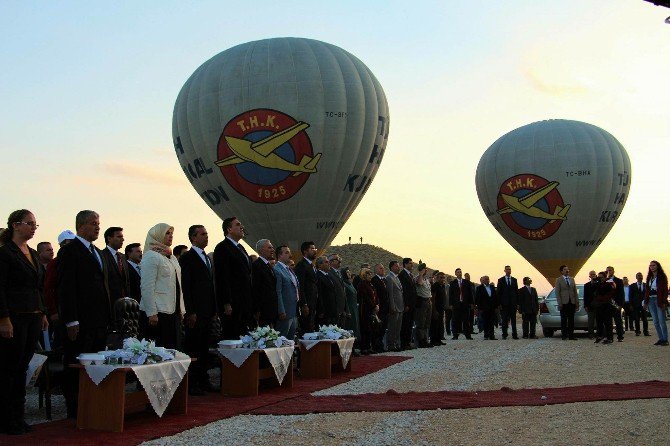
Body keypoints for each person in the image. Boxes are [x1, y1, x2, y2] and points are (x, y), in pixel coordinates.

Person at [57, 210, 111, 418]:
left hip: (99, 319)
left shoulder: (97, 252)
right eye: (93, 223)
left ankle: (94, 403)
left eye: (99, 223)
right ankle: (75, 407)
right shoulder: (70, 251)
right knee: (76, 363)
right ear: (81, 226)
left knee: (96, 363)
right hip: (80, 320)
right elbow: (66, 288)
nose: (98, 227)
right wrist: (71, 320)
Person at [0, 209, 48, 435]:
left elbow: (39, 287)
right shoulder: (5, 253)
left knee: (23, 367)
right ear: (15, 225)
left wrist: (43, 313)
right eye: (29, 223)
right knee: (9, 367)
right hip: (15, 315)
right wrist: (4, 318)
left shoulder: (33, 254)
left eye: (35, 224)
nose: (33, 228)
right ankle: (6, 418)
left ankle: (18, 416)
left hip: (33, 315)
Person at [179, 225, 217, 395]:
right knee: (194, 346)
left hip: (208, 310)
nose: (206, 237)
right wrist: (190, 311)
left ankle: (203, 379)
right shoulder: (188, 257)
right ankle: (193, 382)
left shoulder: (208, 259)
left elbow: (211, 285)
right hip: (195, 311)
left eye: (207, 234)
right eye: (202, 234)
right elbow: (186, 286)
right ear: (193, 238)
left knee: (204, 347)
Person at [139, 223, 185, 349]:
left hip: (172, 311)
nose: (170, 236)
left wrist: (181, 309)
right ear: (157, 235)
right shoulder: (151, 256)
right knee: (159, 351)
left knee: (173, 349)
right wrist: (151, 312)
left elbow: (177, 284)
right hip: (158, 314)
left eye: (171, 233)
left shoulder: (171, 257)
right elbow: (147, 287)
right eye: (167, 233)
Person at [213, 217, 254, 339]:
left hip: (245, 302)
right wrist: (226, 302)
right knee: (233, 336)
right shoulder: (222, 248)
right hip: (233, 303)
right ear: (229, 229)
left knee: (245, 337)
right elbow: (222, 277)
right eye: (238, 225)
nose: (242, 227)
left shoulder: (241, 248)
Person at [43, 230, 76, 349]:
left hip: (75, 308)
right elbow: (48, 288)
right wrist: (53, 311)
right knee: (62, 339)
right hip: (61, 308)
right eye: (70, 242)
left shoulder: (77, 261)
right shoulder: (55, 263)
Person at [274, 246, 299, 340]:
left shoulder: (288, 269)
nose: (290, 255)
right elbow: (278, 291)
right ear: (280, 255)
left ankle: (290, 355)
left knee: (290, 339)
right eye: (287, 253)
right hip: (285, 311)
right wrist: (281, 310)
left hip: (293, 310)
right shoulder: (277, 269)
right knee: (282, 339)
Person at [252, 239, 278, 327]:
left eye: (272, 248)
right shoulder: (257, 266)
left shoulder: (268, 266)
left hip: (271, 309)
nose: (272, 250)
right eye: (269, 248)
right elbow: (255, 289)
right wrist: (257, 309)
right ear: (261, 250)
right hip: (263, 310)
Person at [101, 226, 130, 303]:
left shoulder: (123, 257)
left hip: (125, 304)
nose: (122, 239)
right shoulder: (102, 256)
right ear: (109, 238)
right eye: (119, 237)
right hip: (109, 302)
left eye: (122, 237)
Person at [294, 241, 318, 334]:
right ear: (305, 251)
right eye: (312, 249)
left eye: (315, 248)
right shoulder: (301, 265)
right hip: (307, 303)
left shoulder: (312, 266)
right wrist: (304, 304)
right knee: (306, 329)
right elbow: (301, 286)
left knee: (311, 328)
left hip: (313, 303)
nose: (315, 251)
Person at [643, 260, 668, 346]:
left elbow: (665, 290)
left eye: (653, 265)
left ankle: (665, 339)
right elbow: (647, 290)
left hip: (659, 299)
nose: (652, 267)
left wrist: (664, 301)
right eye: (650, 266)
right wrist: (645, 302)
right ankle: (661, 338)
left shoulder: (662, 276)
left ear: (657, 266)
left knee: (662, 320)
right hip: (650, 300)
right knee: (655, 321)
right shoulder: (649, 277)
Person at [356, 268, 378, 354]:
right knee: (365, 328)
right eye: (368, 274)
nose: (370, 275)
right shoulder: (361, 284)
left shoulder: (370, 284)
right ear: (364, 275)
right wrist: (373, 306)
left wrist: (377, 304)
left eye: (370, 274)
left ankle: (369, 347)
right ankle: (364, 347)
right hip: (365, 309)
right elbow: (366, 297)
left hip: (372, 309)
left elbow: (375, 295)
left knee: (370, 328)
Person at [555, 265, 579, 340]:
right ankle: (564, 335)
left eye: (567, 269)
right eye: (565, 269)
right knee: (564, 320)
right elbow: (557, 292)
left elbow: (575, 291)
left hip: (571, 302)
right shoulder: (558, 280)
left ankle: (571, 336)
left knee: (571, 320)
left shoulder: (572, 279)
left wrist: (576, 302)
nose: (567, 270)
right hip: (564, 303)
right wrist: (560, 303)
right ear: (562, 271)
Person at [449, 268, 474, 340]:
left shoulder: (466, 282)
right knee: (455, 320)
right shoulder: (453, 283)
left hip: (465, 304)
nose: (459, 273)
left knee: (466, 320)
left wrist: (471, 303)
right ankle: (455, 335)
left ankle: (468, 335)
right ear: (455, 274)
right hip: (456, 304)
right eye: (458, 272)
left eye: (460, 272)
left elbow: (470, 293)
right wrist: (451, 304)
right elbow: (451, 294)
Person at [398, 258, 417, 349]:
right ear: (405, 264)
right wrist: (406, 304)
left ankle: (408, 342)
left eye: (412, 263)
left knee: (410, 324)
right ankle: (404, 343)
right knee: (405, 324)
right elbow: (405, 291)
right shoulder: (402, 275)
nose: (411, 265)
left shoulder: (410, 275)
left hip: (412, 304)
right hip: (407, 305)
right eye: (410, 263)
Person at [385, 261, 404, 351]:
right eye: (396, 266)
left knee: (398, 328)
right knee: (392, 327)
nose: (398, 267)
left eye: (399, 266)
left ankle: (396, 344)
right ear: (392, 267)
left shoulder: (397, 278)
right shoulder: (389, 278)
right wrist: (392, 307)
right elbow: (390, 294)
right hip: (395, 307)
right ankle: (391, 345)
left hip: (400, 306)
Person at [413, 261, 432, 348]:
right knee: (421, 322)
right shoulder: (418, 278)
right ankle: (420, 341)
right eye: (424, 269)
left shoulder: (426, 279)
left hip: (428, 301)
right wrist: (420, 274)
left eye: (426, 269)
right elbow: (419, 283)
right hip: (422, 301)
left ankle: (425, 339)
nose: (426, 271)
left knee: (426, 323)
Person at [497, 265, 519, 339]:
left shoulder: (514, 280)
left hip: (513, 304)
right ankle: (504, 334)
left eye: (509, 269)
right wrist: (499, 303)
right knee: (504, 320)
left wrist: (517, 303)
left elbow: (516, 292)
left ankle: (514, 334)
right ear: (504, 271)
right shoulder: (501, 280)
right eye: (507, 269)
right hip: (504, 304)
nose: (508, 270)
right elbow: (499, 293)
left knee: (513, 320)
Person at [594, 271, 615, 344]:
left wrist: (601, 298)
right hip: (599, 305)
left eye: (601, 277)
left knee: (608, 322)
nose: (600, 279)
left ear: (605, 277)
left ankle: (609, 338)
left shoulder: (609, 284)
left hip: (606, 305)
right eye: (599, 277)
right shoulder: (598, 284)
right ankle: (600, 336)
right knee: (599, 322)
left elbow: (610, 294)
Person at [371, 263, 388, 351]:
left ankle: (380, 344)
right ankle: (376, 346)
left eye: (383, 268)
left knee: (383, 328)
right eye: (381, 268)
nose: (383, 270)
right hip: (379, 308)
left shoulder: (384, 280)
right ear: (376, 270)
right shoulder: (374, 280)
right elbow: (375, 295)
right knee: (377, 328)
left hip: (385, 308)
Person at [315, 256, 337, 326]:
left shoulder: (328, 276)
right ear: (320, 265)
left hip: (332, 311)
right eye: (326, 262)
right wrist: (321, 310)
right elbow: (319, 294)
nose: (329, 264)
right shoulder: (318, 276)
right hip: (325, 312)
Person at [475, 276, 498, 340]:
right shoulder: (479, 288)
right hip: (484, 308)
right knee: (485, 322)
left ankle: (492, 336)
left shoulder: (492, 287)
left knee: (491, 322)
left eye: (488, 279)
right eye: (486, 279)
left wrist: (496, 306)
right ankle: (486, 335)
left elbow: (495, 297)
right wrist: (478, 308)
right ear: (483, 280)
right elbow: (477, 299)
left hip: (492, 307)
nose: (487, 280)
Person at [328, 254, 348, 328]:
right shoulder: (329, 273)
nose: (340, 260)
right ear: (330, 262)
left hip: (342, 310)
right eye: (337, 259)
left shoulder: (339, 273)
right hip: (335, 310)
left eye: (339, 258)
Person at [341, 267, 361, 342]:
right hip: (349, 308)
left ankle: (355, 345)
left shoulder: (350, 283)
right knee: (350, 327)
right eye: (347, 272)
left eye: (349, 272)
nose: (349, 274)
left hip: (354, 308)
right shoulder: (343, 283)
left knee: (355, 327)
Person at [606, 266, 625, 342]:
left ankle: (620, 336)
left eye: (610, 270)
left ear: (613, 271)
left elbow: (621, 293)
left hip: (616, 304)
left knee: (618, 321)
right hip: (607, 304)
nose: (608, 272)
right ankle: (609, 337)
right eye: (607, 271)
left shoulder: (619, 281)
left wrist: (621, 305)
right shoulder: (605, 281)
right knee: (608, 321)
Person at [429, 272, 447, 346]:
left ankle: (439, 339)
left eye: (443, 278)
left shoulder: (442, 286)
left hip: (441, 308)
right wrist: (434, 310)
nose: (442, 279)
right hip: (436, 308)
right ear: (436, 278)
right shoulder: (435, 286)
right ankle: (433, 340)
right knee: (434, 325)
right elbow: (433, 298)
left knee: (440, 324)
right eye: (440, 277)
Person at [630, 272, 650, 336]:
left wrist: (647, 303)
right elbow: (630, 295)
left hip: (644, 304)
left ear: (642, 277)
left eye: (641, 275)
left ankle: (646, 332)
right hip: (635, 305)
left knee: (645, 319)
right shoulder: (632, 286)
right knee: (636, 319)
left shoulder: (646, 285)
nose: (640, 277)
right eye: (638, 275)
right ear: (636, 277)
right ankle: (637, 331)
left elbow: (648, 295)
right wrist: (631, 305)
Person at [583, 271, 598, 339]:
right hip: (590, 306)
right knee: (591, 321)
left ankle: (599, 334)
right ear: (589, 276)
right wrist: (585, 305)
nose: (593, 276)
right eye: (592, 275)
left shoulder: (600, 284)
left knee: (599, 320)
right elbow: (585, 296)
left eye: (594, 274)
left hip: (599, 305)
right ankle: (591, 334)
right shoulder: (586, 285)